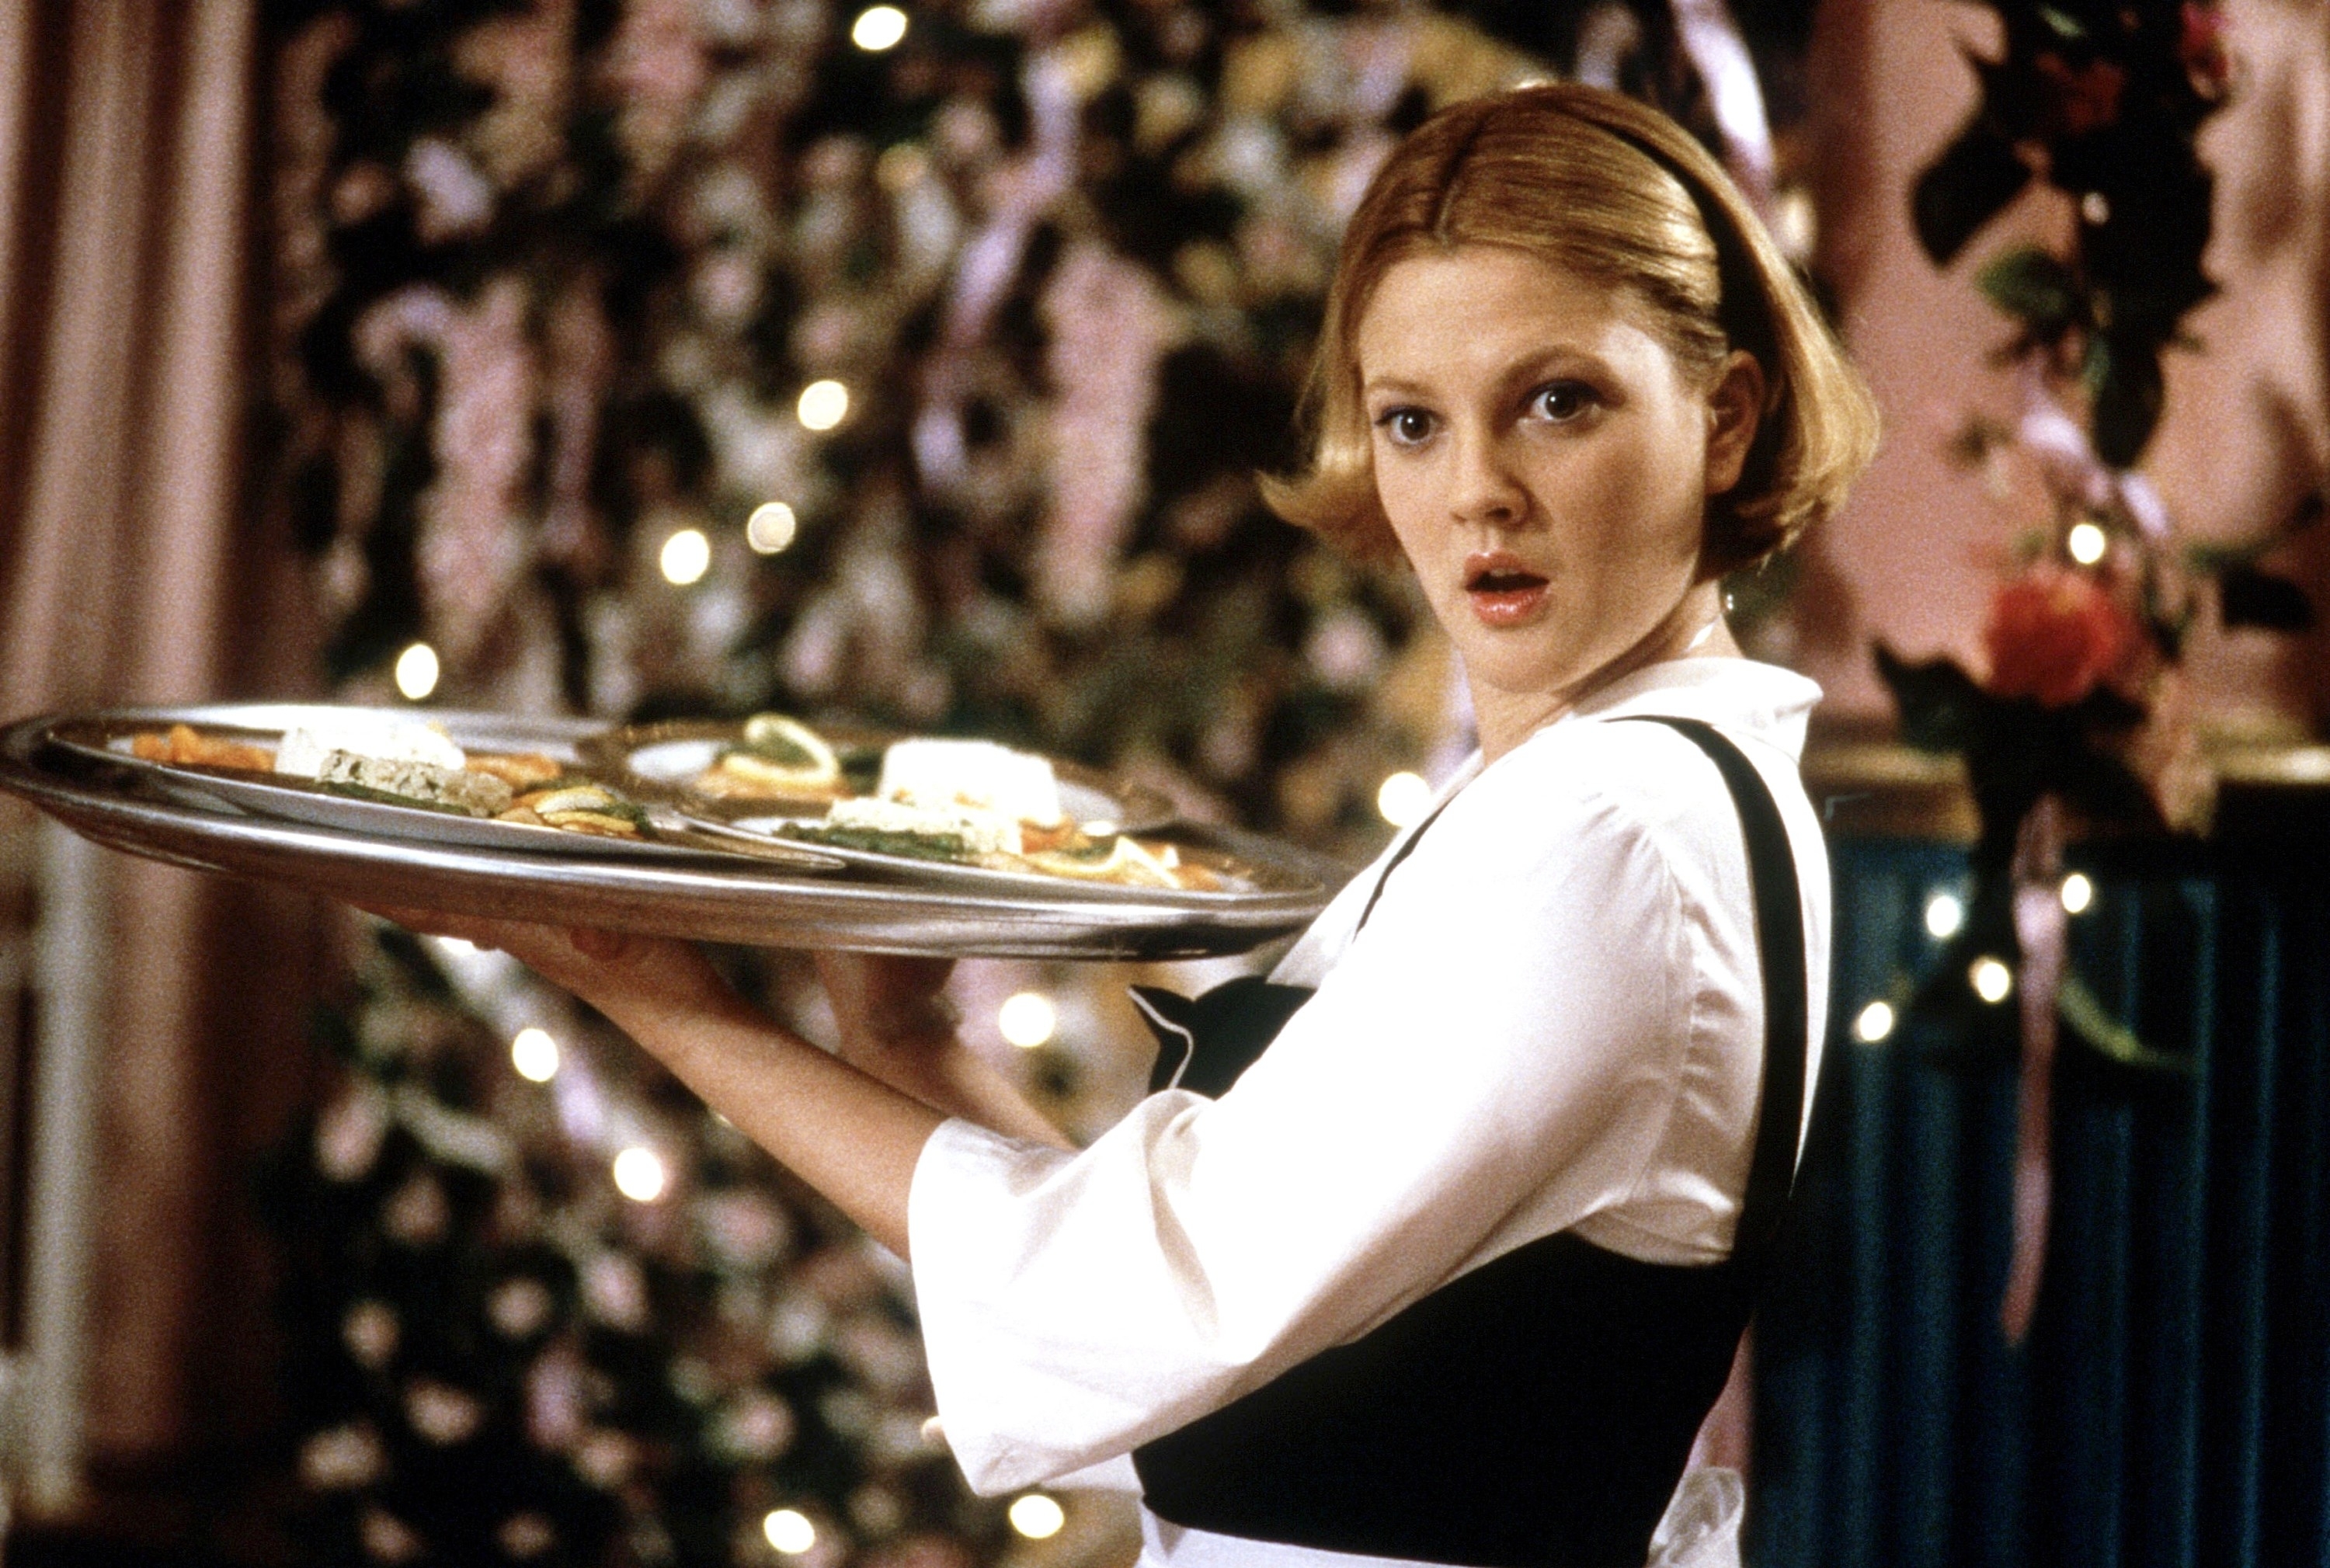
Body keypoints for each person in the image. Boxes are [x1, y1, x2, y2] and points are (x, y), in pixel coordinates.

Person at [369, 82, 1878, 1568]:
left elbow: (1149, 1296)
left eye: (1560, 401)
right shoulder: (1627, 796)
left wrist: (656, 989)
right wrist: (907, 1044)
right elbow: (1208, 1346)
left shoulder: (1616, 833)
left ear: (1727, 418)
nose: (1479, 491)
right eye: (1412, 420)